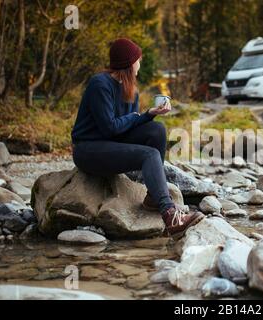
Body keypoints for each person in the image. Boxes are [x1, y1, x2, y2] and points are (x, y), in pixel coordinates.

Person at [71, 38, 204, 239]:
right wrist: (138, 116)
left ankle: (153, 198)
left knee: (157, 129)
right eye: (138, 60)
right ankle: (170, 215)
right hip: (88, 149)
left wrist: (150, 114)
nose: (140, 64)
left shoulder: (130, 90)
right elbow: (109, 128)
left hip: (111, 144)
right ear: (129, 63)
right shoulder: (100, 84)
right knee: (148, 155)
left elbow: (126, 128)